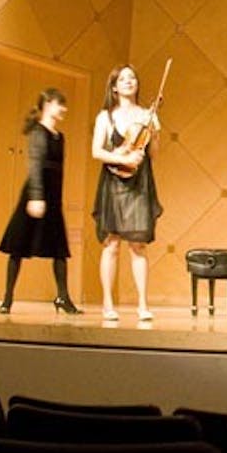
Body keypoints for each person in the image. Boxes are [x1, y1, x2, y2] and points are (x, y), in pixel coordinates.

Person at [0, 88, 82, 315]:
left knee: (59, 251)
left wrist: (55, 200)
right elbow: (34, 166)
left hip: (53, 199)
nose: (63, 108)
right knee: (18, 247)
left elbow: (59, 171)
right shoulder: (38, 132)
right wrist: (36, 196)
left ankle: (63, 298)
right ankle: (7, 298)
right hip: (35, 195)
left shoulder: (59, 136)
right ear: (47, 104)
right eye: (59, 104)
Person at [91, 64, 163, 322]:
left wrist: (153, 134)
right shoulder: (105, 117)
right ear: (114, 87)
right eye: (123, 78)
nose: (129, 81)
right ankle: (108, 304)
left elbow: (153, 155)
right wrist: (122, 157)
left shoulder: (147, 115)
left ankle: (143, 304)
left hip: (139, 183)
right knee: (111, 244)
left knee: (138, 245)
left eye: (132, 77)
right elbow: (96, 152)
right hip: (114, 181)